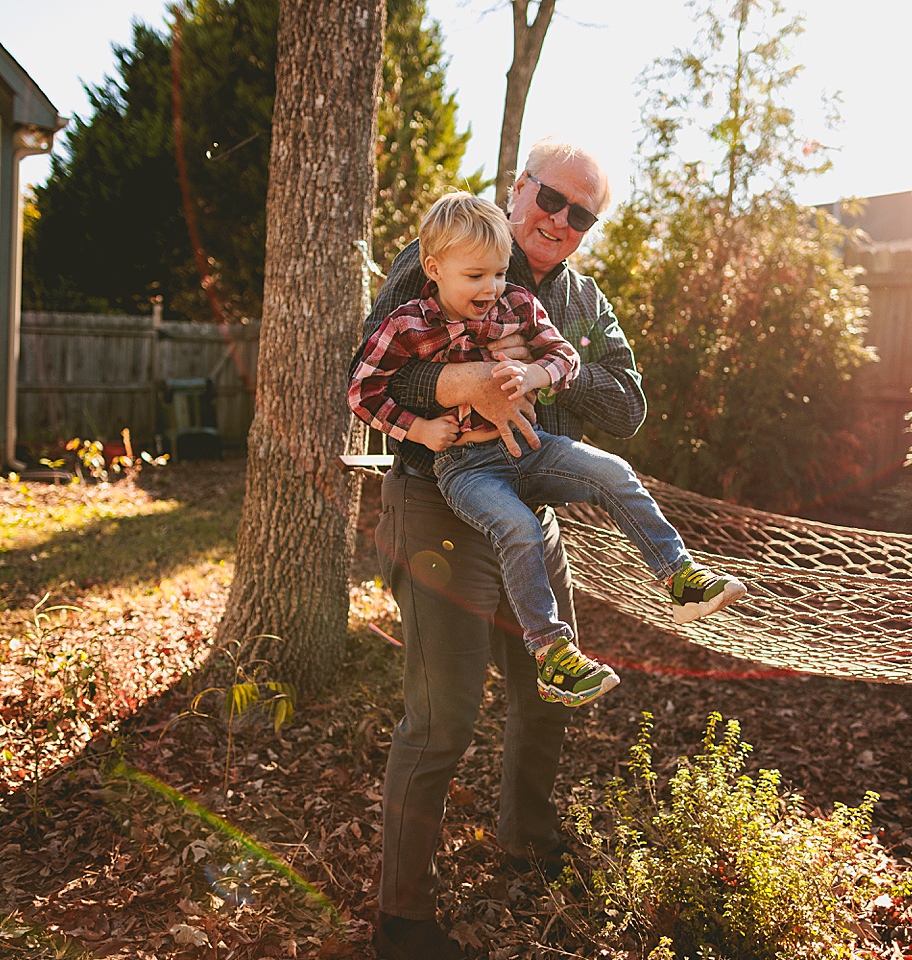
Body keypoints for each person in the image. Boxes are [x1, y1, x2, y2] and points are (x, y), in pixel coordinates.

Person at [357, 138, 647, 960]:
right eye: (550, 198)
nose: (559, 220)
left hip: (534, 519)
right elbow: (368, 371)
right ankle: (403, 921)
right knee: (443, 714)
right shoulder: (444, 252)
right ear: (519, 187)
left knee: (549, 689)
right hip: (438, 506)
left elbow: (628, 408)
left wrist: (551, 372)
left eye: (580, 213)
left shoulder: (584, 303)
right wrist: (454, 383)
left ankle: (527, 838)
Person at [350, 191, 746, 712]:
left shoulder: (524, 302)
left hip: (533, 450)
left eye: (497, 273)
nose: (491, 288)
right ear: (433, 268)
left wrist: (536, 373)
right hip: (466, 468)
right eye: (476, 277)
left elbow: (570, 360)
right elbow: (364, 387)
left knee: (614, 472)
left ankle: (678, 576)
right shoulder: (408, 322)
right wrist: (419, 429)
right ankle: (552, 653)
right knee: (518, 528)